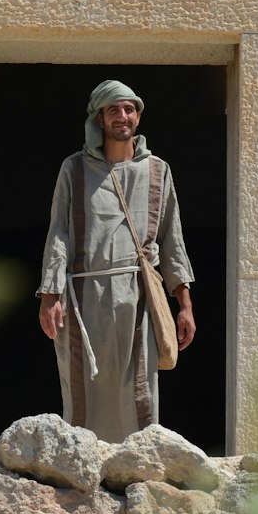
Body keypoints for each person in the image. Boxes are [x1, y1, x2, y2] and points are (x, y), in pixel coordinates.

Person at [37, 80, 195, 443]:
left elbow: (173, 240)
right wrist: (50, 296)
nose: (122, 116)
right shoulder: (74, 170)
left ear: (138, 116)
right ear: (99, 118)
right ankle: (82, 469)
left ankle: (137, 470)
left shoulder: (158, 170)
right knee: (83, 388)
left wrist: (183, 305)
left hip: (138, 298)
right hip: (84, 297)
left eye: (128, 109)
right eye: (113, 110)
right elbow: (58, 232)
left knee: (139, 390)